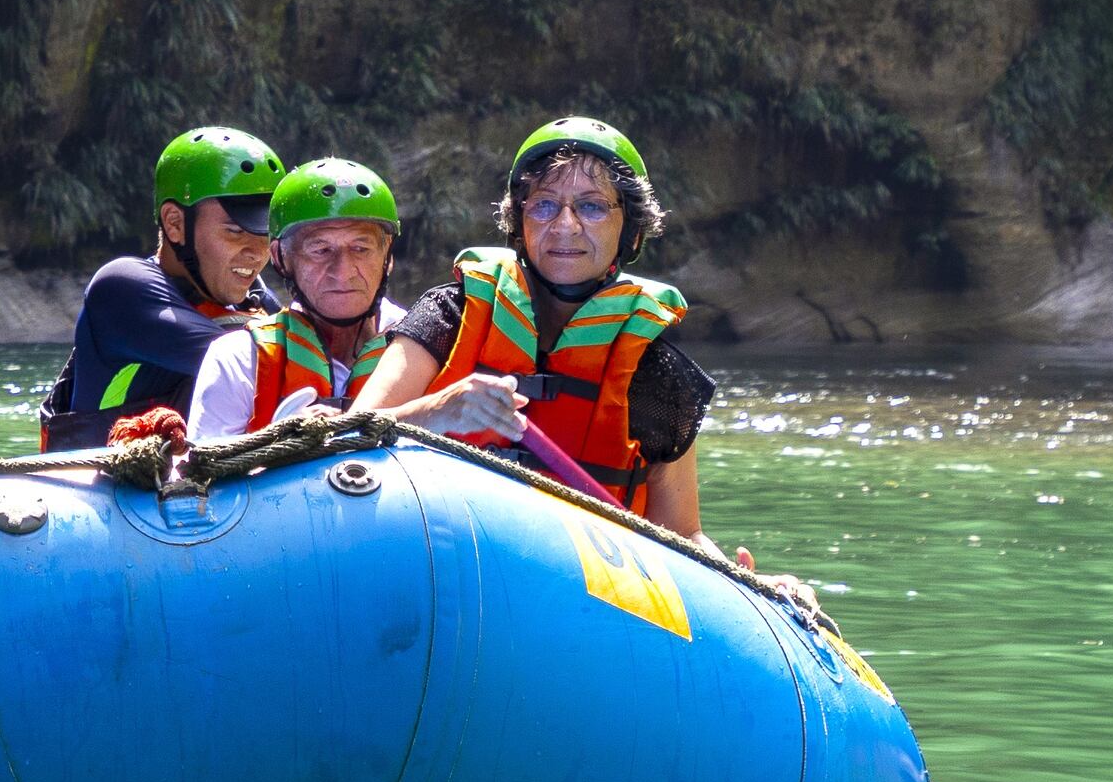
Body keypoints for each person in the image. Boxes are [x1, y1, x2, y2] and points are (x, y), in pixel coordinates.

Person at [356, 113, 721, 532]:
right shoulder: (450, 314)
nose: (565, 225)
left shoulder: (658, 374)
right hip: (444, 540)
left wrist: (761, 586)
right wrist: (437, 411)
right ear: (520, 224)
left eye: (592, 206)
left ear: (632, 234)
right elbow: (348, 438)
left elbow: (684, 535)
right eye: (544, 205)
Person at [182, 160, 532, 442]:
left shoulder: (430, 345)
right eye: (320, 250)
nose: (343, 271)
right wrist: (280, 440)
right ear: (280, 258)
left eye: (361, 249)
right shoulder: (239, 357)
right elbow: (203, 488)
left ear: (387, 257)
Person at [36, 124, 284, 449]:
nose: (257, 253)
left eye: (266, 236)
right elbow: (247, 362)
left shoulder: (254, 299)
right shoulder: (121, 291)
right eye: (236, 232)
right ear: (175, 224)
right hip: (110, 487)